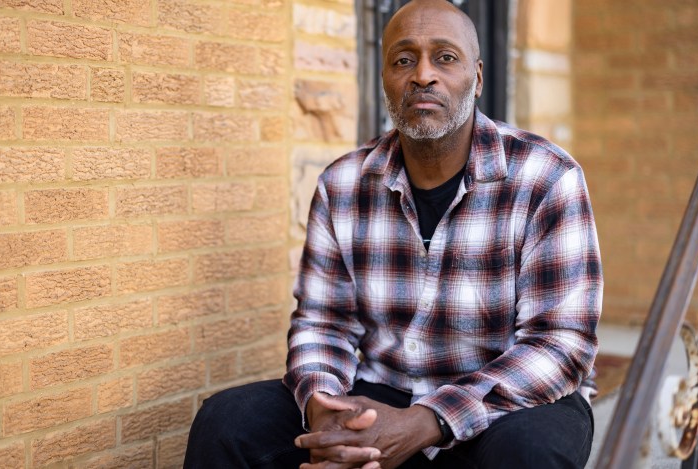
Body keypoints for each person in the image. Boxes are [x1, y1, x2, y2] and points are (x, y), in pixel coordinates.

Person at [184, 0, 603, 467]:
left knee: (529, 453)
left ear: (477, 78)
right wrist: (325, 411)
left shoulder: (547, 177)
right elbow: (323, 323)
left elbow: (561, 344)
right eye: (404, 60)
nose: (423, 74)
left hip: (505, 401)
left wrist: (428, 420)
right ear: (385, 80)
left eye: (445, 57)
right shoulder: (342, 184)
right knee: (226, 422)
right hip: (379, 391)